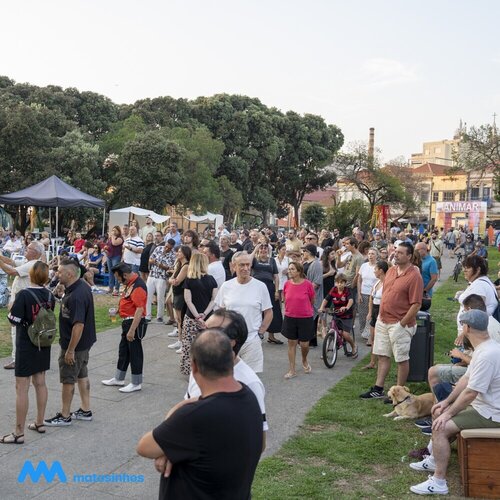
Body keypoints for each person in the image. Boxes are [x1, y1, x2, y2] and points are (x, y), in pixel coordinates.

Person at [137, 330, 263, 500]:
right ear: (232, 359)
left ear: (194, 366)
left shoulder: (194, 416)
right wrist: (172, 447)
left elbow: (144, 447)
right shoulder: (248, 395)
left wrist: (170, 447)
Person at [409, 309, 500, 496]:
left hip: (492, 413)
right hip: (486, 407)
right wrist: (446, 403)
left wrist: (448, 414)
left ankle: (439, 482)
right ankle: (434, 460)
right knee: (438, 412)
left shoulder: (487, 355)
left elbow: (471, 393)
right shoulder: (484, 348)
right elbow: (465, 380)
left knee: (440, 427)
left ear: (467, 328)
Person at [184, 309, 268, 446]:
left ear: (231, 342)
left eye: (210, 332)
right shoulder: (199, 368)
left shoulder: (250, 383)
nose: (201, 337)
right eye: (202, 330)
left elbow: (259, 442)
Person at [360, 242, 423, 399]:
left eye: (400, 253)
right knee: (382, 355)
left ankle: (399, 393)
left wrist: (402, 324)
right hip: (383, 320)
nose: (396, 254)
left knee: (401, 359)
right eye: (396, 251)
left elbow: (416, 304)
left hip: (400, 324)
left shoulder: (414, 276)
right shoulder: (392, 270)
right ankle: (378, 389)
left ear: (409, 256)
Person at [1, 263, 55, 444]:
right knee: (40, 382)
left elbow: (13, 320)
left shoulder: (24, 294)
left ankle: (18, 432)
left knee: (21, 388)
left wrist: (11, 306)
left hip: (26, 343)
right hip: (43, 343)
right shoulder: (50, 294)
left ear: (30, 275)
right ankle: (40, 422)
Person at [44, 259, 96, 426]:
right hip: (84, 343)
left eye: (60, 272)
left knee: (68, 379)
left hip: (75, 345)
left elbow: (78, 325)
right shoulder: (79, 287)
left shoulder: (77, 295)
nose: (57, 274)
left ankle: (65, 415)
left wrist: (70, 350)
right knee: (82, 374)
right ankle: (85, 410)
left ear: (70, 274)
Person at [215, 252, 273, 373]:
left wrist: (260, 333)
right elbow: (219, 312)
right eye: (242, 265)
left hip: (252, 340)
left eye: (248, 265)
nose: (246, 268)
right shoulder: (226, 286)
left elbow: (268, 312)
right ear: (233, 266)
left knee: (250, 377)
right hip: (229, 340)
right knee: (229, 376)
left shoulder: (260, 286)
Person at [102, 263, 148, 393]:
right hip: (128, 322)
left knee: (135, 353)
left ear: (125, 275)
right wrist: (118, 311)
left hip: (134, 323)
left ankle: (136, 383)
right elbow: (130, 303)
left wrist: (132, 330)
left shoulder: (138, 286)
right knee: (124, 351)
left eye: (118, 277)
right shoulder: (130, 283)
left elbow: (139, 309)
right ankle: (119, 378)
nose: (118, 280)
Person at [0, 241, 44, 369]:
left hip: (22, 304)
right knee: (27, 331)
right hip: (26, 302)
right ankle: (29, 357)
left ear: (35, 252)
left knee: (16, 331)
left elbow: (10, 271)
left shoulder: (32, 264)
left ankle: (17, 359)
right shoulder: (30, 262)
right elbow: (11, 262)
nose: (25, 249)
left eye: (28, 248)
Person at [180, 253, 218, 375]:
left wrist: (197, 316)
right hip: (209, 318)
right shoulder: (212, 279)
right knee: (207, 346)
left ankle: (190, 371)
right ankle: (206, 371)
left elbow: (188, 301)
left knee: (189, 346)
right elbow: (214, 300)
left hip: (191, 318)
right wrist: (204, 314)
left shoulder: (189, 280)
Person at [282, 261, 316, 379]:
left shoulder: (308, 284)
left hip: (305, 318)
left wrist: (305, 309)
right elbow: (285, 298)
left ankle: (304, 359)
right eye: (289, 269)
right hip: (290, 317)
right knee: (291, 343)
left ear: (299, 271)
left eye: (292, 269)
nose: (289, 271)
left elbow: (312, 300)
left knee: (304, 344)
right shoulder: (286, 284)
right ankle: (292, 370)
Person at [319, 273, 358, 358]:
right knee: (331, 331)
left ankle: (353, 346)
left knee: (345, 334)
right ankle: (325, 350)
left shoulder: (347, 291)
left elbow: (351, 300)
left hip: (346, 316)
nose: (339, 284)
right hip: (336, 314)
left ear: (345, 283)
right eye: (337, 282)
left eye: (341, 282)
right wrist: (322, 307)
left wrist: (346, 307)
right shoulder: (333, 289)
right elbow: (326, 299)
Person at [251, 243, 283, 345]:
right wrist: (255, 249)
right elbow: (248, 261)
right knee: (255, 309)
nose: (263, 250)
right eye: (261, 248)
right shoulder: (254, 260)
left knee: (271, 310)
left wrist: (276, 291)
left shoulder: (272, 260)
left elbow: (276, 276)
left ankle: (271, 336)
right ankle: (255, 334)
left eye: (265, 248)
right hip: (256, 287)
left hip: (269, 287)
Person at [364, 260, 389, 369]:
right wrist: (370, 312)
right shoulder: (377, 282)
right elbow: (371, 297)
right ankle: (372, 362)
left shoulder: (387, 283)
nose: (374, 271)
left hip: (382, 311)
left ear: (381, 271)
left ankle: (381, 361)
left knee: (381, 338)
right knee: (373, 337)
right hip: (374, 310)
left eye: (375, 269)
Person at [168, 245, 191, 353]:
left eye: (180, 252)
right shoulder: (179, 265)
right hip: (176, 293)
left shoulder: (186, 266)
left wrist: (172, 280)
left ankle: (183, 343)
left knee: (181, 319)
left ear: (185, 254)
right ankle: (179, 340)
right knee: (178, 319)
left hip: (181, 294)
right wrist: (171, 280)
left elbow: (176, 281)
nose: (177, 253)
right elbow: (172, 278)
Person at [146, 239, 176, 323]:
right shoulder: (158, 248)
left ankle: (160, 317)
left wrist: (160, 265)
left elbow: (170, 268)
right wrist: (156, 263)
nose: (167, 249)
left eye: (169, 248)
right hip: (152, 274)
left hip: (162, 277)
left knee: (160, 297)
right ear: (165, 244)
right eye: (166, 246)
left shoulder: (173, 255)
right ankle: (147, 316)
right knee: (148, 295)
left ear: (172, 247)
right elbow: (150, 259)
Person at [301, 244, 323, 347]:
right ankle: (306, 339)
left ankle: (311, 341)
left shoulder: (316, 264)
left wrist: (305, 292)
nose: (303, 253)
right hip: (304, 294)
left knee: (312, 318)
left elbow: (316, 282)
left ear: (309, 252)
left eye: (304, 251)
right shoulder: (305, 262)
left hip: (312, 296)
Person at [358, 248, 379, 340]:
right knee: (362, 314)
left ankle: (370, 334)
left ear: (377, 255)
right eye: (369, 253)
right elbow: (359, 280)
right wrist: (359, 294)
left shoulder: (378, 266)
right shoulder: (364, 266)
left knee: (372, 314)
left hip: (374, 295)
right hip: (363, 293)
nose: (370, 255)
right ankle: (363, 331)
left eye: (373, 254)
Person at [104, 225, 124, 296]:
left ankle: (116, 289)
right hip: (109, 256)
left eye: (115, 230)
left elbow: (114, 243)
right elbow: (108, 245)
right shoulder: (110, 238)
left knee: (116, 273)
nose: (113, 232)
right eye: (113, 230)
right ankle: (110, 288)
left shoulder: (120, 238)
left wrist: (112, 236)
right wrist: (106, 248)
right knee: (110, 272)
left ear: (118, 231)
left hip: (116, 256)